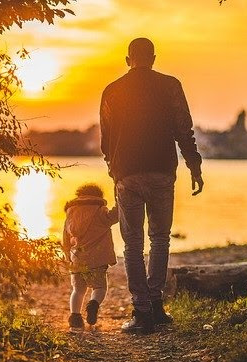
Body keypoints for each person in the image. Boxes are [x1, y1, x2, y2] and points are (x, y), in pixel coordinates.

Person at [100, 37, 204, 334]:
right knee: (160, 238)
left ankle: (142, 311)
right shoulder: (170, 85)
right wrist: (194, 165)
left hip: (127, 175)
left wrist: (113, 170)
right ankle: (156, 305)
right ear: (154, 58)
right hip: (161, 171)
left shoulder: (112, 90)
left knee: (133, 244)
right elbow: (184, 129)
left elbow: (106, 139)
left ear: (127, 59)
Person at [63, 183, 118, 332]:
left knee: (78, 290)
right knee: (99, 287)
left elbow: (65, 240)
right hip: (97, 259)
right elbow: (116, 216)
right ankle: (93, 304)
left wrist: (68, 257)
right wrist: (119, 199)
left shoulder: (70, 213)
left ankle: (75, 320)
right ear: (98, 197)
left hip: (76, 259)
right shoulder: (100, 211)